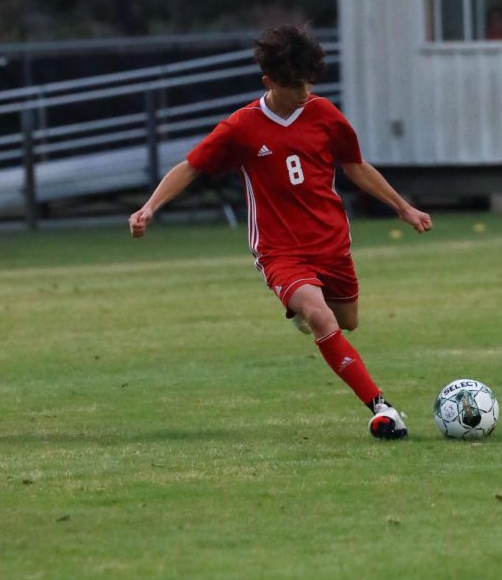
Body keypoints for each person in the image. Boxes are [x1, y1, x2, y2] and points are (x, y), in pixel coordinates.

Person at [128, 24, 433, 439]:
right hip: (279, 251)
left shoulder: (325, 115)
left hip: (331, 243)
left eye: (309, 83)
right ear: (269, 82)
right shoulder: (242, 127)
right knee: (320, 315)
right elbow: (191, 167)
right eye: (294, 86)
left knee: (348, 321)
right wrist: (150, 207)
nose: (304, 94)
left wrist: (403, 207)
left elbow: (355, 166)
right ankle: (381, 408)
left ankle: (304, 312)